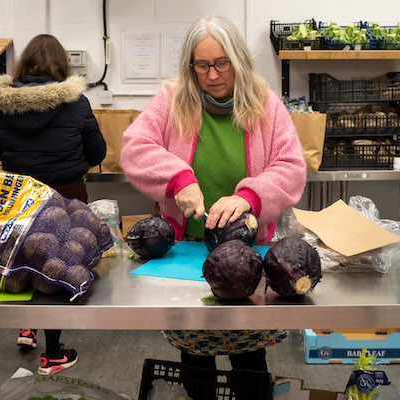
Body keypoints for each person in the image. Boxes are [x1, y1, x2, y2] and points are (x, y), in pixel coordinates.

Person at [120, 16, 306, 399]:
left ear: (238, 59)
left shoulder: (266, 104)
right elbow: (134, 147)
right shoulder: (173, 99)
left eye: (222, 63)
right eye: (202, 65)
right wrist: (178, 179)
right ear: (190, 66)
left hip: (249, 253)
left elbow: (291, 168)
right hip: (186, 253)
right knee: (195, 358)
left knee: (249, 359)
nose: (213, 75)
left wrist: (249, 197)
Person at [0, 34, 106, 375]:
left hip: (18, 192)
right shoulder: (77, 102)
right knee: (57, 265)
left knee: (20, 257)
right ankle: (53, 354)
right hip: (66, 196)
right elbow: (97, 152)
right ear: (61, 65)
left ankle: (26, 327)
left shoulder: (3, 103)